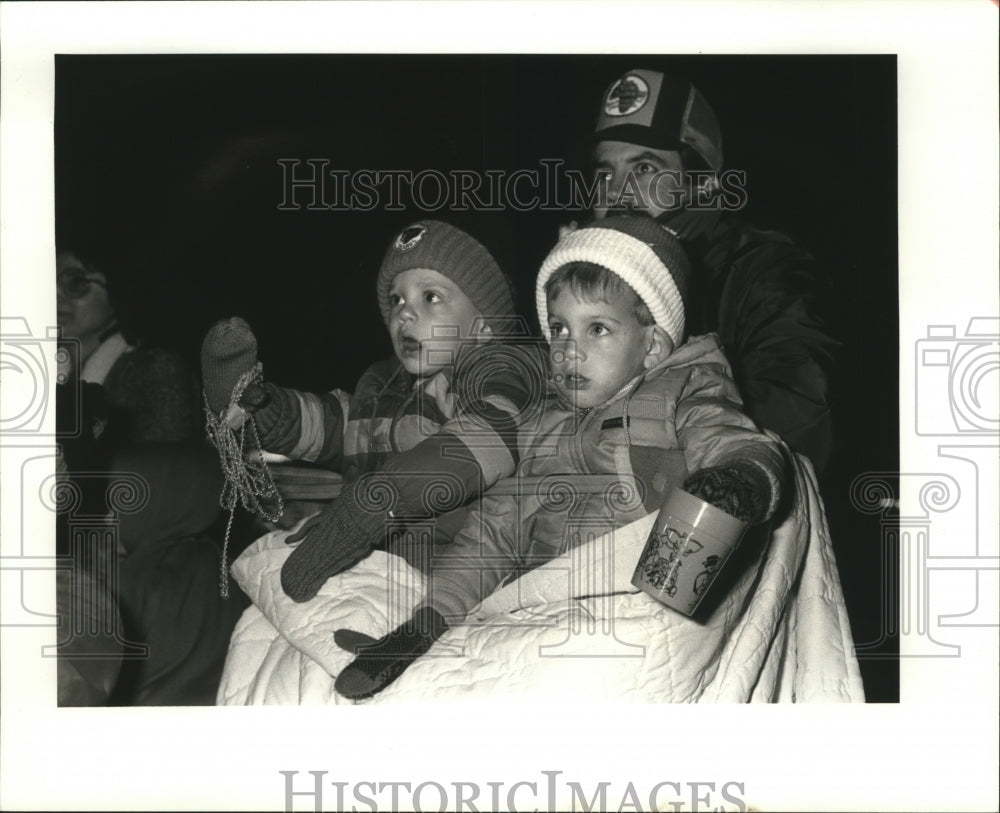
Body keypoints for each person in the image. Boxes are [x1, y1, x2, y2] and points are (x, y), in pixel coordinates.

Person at [331, 215, 788, 700]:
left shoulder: (685, 389)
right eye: (559, 329)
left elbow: (728, 437)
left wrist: (741, 478)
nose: (569, 349)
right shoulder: (541, 420)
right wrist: (430, 619)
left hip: (640, 594)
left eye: (597, 329)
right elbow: (494, 531)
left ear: (652, 345)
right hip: (546, 602)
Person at [200, 219, 547, 603]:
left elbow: (481, 440)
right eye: (397, 299)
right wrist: (261, 406)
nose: (404, 314)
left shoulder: (500, 373)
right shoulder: (382, 385)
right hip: (372, 561)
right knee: (263, 596)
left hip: (454, 579)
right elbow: (332, 424)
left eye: (430, 297)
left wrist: (366, 508)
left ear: (483, 327)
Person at [580, 68, 837, 476]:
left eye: (644, 169)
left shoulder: (761, 271)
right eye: (604, 172)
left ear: (700, 185)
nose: (616, 191)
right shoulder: (581, 280)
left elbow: (798, 416)